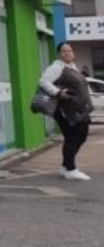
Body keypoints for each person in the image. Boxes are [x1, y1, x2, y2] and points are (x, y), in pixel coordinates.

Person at [38, 42, 94, 181]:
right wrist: (57, 92)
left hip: (79, 109)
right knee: (72, 136)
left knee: (82, 136)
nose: (67, 53)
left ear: (73, 53)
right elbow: (43, 82)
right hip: (65, 109)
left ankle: (65, 166)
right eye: (64, 51)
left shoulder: (73, 68)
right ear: (59, 54)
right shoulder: (57, 67)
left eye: (69, 50)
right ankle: (71, 169)